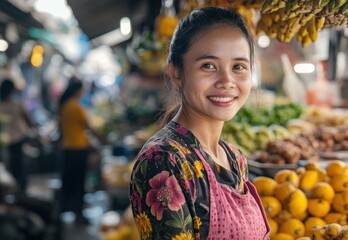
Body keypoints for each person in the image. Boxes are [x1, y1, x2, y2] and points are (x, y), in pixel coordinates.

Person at [129, 7, 270, 240]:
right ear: (176, 73)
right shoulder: (164, 161)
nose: (227, 81)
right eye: (208, 66)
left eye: (238, 67)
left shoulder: (234, 157)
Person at [57, 77, 103, 224]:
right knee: (79, 183)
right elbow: (88, 126)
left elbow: (61, 127)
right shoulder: (76, 107)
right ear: (77, 91)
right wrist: (102, 139)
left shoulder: (64, 105)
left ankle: (61, 210)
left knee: (68, 181)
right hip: (78, 150)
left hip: (67, 149)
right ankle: (78, 214)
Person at [0, 78, 36, 192]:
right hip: (18, 139)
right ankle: (20, 191)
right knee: (19, 167)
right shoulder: (17, 104)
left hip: (4, 141)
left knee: (6, 168)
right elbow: (29, 121)